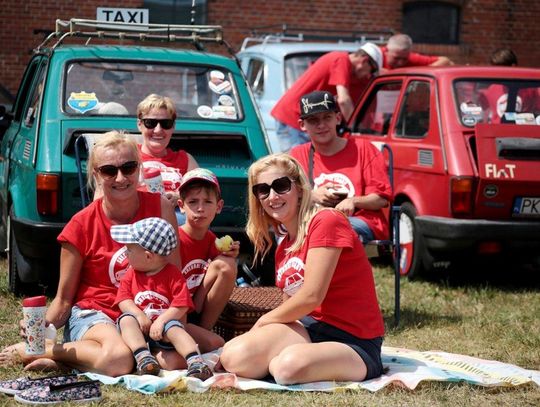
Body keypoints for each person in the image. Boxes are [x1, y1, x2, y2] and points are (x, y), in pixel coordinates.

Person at [0, 131, 182, 375]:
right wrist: (44, 325)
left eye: (128, 167)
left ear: (138, 168)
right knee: (119, 359)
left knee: (171, 357)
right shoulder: (81, 225)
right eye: (109, 170)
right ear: (96, 174)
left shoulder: (160, 207)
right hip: (95, 314)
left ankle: (71, 360)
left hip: (145, 316)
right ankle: (43, 349)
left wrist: (172, 324)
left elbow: (174, 274)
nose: (120, 178)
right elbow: (64, 299)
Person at [220, 154, 385, 384]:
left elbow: (311, 296)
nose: (273, 196)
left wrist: (264, 322)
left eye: (281, 186)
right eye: (263, 190)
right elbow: (291, 305)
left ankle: (288, 361)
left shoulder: (327, 220)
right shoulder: (284, 246)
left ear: (298, 189)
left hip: (354, 340)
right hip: (308, 330)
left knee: (286, 367)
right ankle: (288, 359)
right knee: (233, 357)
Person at [112, 217, 213, 380]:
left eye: (129, 250)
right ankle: (143, 357)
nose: (126, 253)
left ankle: (195, 361)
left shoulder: (172, 274)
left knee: (176, 328)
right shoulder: (131, 273)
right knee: (126, 320)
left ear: (148, 256)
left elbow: (181, 305)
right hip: (140, 330)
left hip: (164, 331)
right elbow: (123, 299)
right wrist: (139, 315)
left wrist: (162, 321)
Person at [289, 90, 391, 243]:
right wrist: (313, 195)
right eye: (313, 120)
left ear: (337, 118)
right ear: (302, 125)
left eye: (327, 117)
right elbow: (287, 196)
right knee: (288, 228)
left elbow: (381, 199)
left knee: (326, 226)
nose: (321, 125)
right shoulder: (298, 154)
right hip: (313, 220)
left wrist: (354, 201)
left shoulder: (364, 149)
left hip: (360, 220)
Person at [270, 42, 383, 152]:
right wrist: (356, 129)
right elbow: (343, 100)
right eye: (372, 70)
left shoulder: (345, 67)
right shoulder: (341, 59)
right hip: (294, 118)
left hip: (304, 120)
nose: (369, 75)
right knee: (300, 167)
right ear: (364, 61)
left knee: (309, 166)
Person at [176, 168, 239, 335]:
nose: (200, 208)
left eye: (207, 202)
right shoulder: (175, 239)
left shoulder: (213, 241)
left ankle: (204, 330)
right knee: (215, 344)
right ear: (181, 206)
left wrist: (230, 252)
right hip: (173, 316)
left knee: (227, 264)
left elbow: (220, 273)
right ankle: (202, 338)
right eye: (193, 202)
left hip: (197, 311)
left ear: (219, 207)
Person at [137, 93, 199, 223]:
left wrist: (179, 196)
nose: (158, 130)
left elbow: (202, 192)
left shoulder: (185, 159)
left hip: (177, 217)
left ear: (173, 127)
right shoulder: (128, 155)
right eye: (150, 123)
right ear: (140, 125)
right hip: (139, 216)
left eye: (166, 123)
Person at [381, 33, 453, 70]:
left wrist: (422, 72)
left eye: (404, 59)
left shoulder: (412, 58)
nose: (401, 63)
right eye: (396, 58)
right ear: (386, 51)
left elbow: (445, 60)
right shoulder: (376, 56)